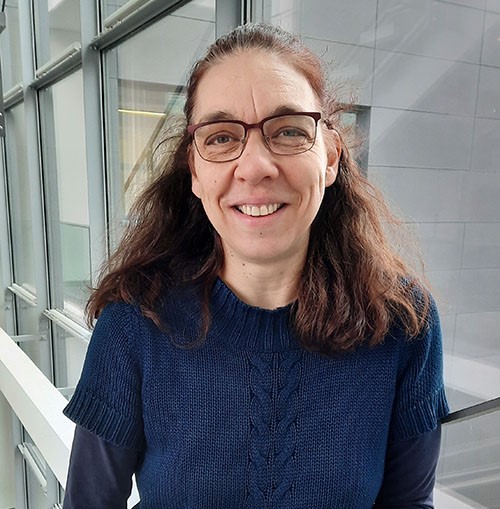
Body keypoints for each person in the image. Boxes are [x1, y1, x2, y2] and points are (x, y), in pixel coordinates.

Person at [62, 23, 449, 509]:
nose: (255, 167)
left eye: (288, 131)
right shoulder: (135, 324)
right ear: (195, 171)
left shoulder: (403, 324)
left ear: (330, 157)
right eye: (222, 138)